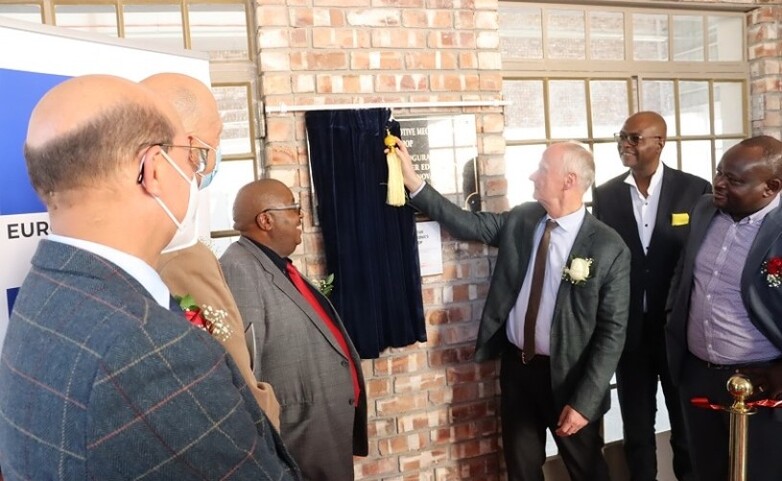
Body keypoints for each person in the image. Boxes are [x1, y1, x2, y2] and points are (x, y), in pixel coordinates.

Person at [0, 75, 301, 480]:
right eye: (193, 156)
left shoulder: (45, 292)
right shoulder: (154, 350)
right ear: (153, 168)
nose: (198, 172)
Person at [396, 139, 630, 481]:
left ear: (569, 181)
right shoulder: (523, 219)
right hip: (518, 371)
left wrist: (585, 402)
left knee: (588, 472)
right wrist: (414, 183)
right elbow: (467, 224)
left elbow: (613, 334)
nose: (533, 175)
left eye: (543, 170)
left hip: (571, 380)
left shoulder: (609, 247)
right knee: (521, 471)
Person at [142, 72, 281, 429]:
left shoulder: (182, 247)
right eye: (213, 143)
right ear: (191, 150)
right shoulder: (173, 252)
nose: (213, 158)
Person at [219, 179, 368, 481]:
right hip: (297, 439)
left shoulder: (274, 264)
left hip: (319, 433)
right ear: (266, 219)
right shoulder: (240, 268)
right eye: (293, 208)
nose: (301, 217)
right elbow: (247, 368)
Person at [593, 111, 708, 481]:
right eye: (622, 137)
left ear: (660, 142)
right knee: (637, 433)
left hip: (679, 334)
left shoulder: (695, 189)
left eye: (634, 138)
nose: (625, 144)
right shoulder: (606, 194)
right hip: (629, 335)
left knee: (687, 431)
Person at [666, 135, 782, 481]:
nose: (718, 183)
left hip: (761, 382)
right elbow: (684, 275)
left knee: (759, 473)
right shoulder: (704, 210)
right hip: (698, 374)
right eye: (719, 172)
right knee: (707, 470)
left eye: (734, 180)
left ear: (771, 188)